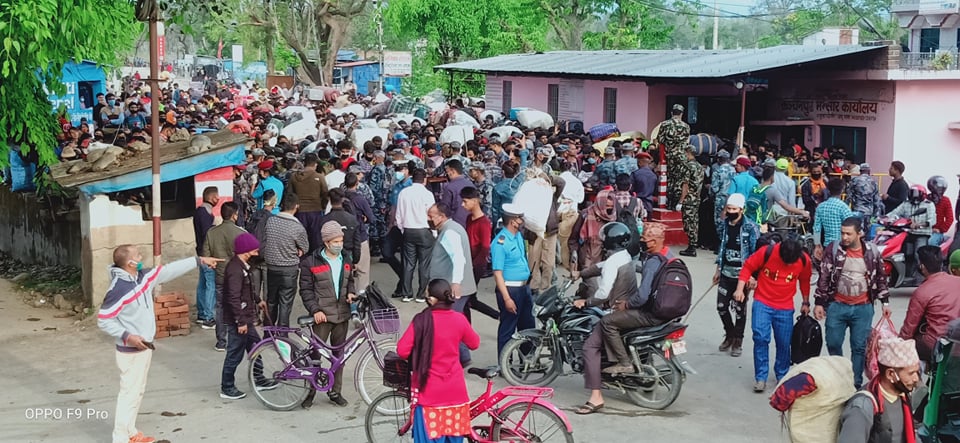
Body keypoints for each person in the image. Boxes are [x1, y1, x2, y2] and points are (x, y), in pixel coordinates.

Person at [98, 245, 219, 443]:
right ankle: (120, 438)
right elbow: (104, 319)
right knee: (129, 394)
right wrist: (128, 336)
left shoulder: (142, 278)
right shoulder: (119, 288)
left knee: (137, 392)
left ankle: (131, 433)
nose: (141, 257)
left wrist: (199, 260)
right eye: (137, 255)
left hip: (144, 346)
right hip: (130, 350)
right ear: (129, 263)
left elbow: (168, 270)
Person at [573, 221, 672, 415]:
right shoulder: (624, 256)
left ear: (609, 242)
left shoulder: (613, 261)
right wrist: (582, 273)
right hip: (632, 308)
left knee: (590, 346)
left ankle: (596, 397)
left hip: (620, 310)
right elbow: (600, 267)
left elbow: (602, 294)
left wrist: (585, 302)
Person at [396, 279, 480, 443]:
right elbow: (474, 343)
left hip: (429, 395)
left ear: (432, 299)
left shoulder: (420, 320)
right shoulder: (459, 319)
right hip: (456, 396)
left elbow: (402, 350)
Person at [814, 216, 891, 388]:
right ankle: (840, 377)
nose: (845, 237)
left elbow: (881, 277)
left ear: (860, 234)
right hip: (837, 306)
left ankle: (854, 384)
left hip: (863, 308)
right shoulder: (834, 250)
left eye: (849, 234)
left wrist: (885, 302)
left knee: (858, 347)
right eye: (843, 233)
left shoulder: (872, 251)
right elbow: (824, 275)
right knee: (833, 343)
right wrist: (819, 302)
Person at [735, 235, 813, 392]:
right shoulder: (768, 252)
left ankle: (782, 375)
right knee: (760, 338)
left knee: (784, 343)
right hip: (763, 302)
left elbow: (805, 280)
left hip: (785, 307)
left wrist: (805, 302)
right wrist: (739, 289)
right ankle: (761, 377)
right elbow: (748, 267)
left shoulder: (804, 260)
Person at [298, 221, 357, 408]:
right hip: (322, 317)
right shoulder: (311, 262)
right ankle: (310, 392)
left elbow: (350, 281)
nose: (339, 244)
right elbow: (305, 290)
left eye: (341, 240)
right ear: (326, 242)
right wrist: (315, 310)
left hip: (342, 315)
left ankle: (335, 392)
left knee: (339, 356)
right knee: (315, 355)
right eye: (336, 241)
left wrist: (350, 293)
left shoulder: (346, 258)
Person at [837, 337, 922, 443]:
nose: (916, 379)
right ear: (891, 374)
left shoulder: (903, 395)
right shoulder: (862, 407)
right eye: (911, 373)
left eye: (917, 372)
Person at [219, 233, 270, 400]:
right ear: (246, 250)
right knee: (235, 353)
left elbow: (246, 290)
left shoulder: (242, 266)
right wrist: (240, 321)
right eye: (254, 250)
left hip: (246, 318)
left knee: (256, 347)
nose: (256, 252)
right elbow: (233, 297)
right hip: (239, 321)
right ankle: (227, 387)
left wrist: (257, 300)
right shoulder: (235, 269)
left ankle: (259, 379)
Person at [427, 203, 477, 365]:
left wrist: (455, 283)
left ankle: (461, 357)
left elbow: (458, 259)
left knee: (449, 324)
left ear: (441, 217)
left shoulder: (449, 233)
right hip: (452, 286)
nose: (428, 219)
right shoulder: (453, 228)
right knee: (454, 320)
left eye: (431, 216)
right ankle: (462, 357)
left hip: (452, 288)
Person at [714, 194, 761, 357]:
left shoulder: (751, 227)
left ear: (741, 209)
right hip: (726, 273)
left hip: (743, 275)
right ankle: (729, 333)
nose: (731, 212)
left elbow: (756, 254)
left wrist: (753, 276)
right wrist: (718, 269)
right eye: (729, 209)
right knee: (721, 307)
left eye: (734, 209)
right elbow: (722, 247)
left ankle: (738, 340)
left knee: (740, 309)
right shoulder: (725, 225)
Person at [899, 245, 960, 362]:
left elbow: (908, 329)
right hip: (956, 342)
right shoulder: (957, 281)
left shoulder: (922, 291)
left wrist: (899, 346)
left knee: (913, 342)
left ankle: (917, 374)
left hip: (937, 345)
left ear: (921, 266)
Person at [491, 203, 535, 356]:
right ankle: (504, 363)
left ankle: (527, 359)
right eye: (520, 218)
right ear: (513, 221)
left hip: (524, 288)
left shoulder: (518, 236)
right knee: (508, 327)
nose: (522, 221)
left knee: (527, 325)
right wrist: (507, 299)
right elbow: (497, 273)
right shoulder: (500, 243)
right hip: (511, 290)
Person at [202, 201, 245, 351]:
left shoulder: (211, 233)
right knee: (237, 305)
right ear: (235, 215)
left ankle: (221, 341)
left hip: (220, 276)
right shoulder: (241, 233)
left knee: (220, 307)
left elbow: (206, 256)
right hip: (237, 277)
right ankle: (236, 339)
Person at [261, 193, 308, 328]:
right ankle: (283, 334)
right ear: (296, 207)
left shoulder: (271, 221)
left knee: (271, 301)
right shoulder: (297, 227)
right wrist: (299, 250)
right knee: (285, 303)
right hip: (289, 269)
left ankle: (267, 332)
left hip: (271, 267)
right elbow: (305, 246)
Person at [396, 168, 436, 302]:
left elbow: (399, 214)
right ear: (424, 179)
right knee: (424, 264)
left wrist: (402, 229)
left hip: (408, 230)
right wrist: (434, 232)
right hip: (424, 230)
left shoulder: (404, 193)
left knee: (408, 263)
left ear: (412, 178)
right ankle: (421, 294)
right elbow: (432, 214)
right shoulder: (427, 194)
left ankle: (406, 293)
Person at [884, 185, 937, 284]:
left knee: (919, 255)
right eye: (912, 193)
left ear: (923, 194)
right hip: (908, 233)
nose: (914, 196)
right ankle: (906, 276)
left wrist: (920, 224)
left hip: (922, 234)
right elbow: (895, 212)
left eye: (916, 193)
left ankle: (922, 279)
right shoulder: (906, 204)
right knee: (905, 255)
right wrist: (885, 218)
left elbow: (932, 220)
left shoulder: (928, 205)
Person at [461, 187, 499, 320]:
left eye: (465, 201)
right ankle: (498, 316)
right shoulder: (468, 218)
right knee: (470, 300)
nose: (463, 205)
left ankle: (466, 332)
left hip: (476, 265)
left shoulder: (484, 223)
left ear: (475, 201)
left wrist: (473, 266)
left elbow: (485, 248)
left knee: (466, 299)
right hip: (468, 263)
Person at [527, 176, 564, 295]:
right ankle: (534, 288)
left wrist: (548, 178)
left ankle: (545, 288)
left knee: (549, 263)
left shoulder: (551, 197)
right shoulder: (530, 198)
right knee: (534, 261)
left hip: (550, 233)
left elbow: (561, 183)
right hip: (535, 233)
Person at [287, 153, 329, 253]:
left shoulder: (293, 177)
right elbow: (325, 194)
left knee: (300, 239)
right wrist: (322, 206)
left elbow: (289, 194)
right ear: (315, 164)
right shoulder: (319, 177)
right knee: (315, 240)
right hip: (315, 211)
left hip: (299, 211)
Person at [344, 172, 375, 293]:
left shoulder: (340, 199)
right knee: (363, 270)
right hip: (360, 236)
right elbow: (372, 218)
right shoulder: (360, 199)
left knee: (347, 269)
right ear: (357, 184)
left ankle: (346, 294)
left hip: (344, 238)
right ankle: (361, 294)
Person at [193, 186, 219, 329]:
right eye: (216, 197)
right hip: (207, 254)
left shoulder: (201, 211)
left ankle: (202, 314)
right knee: (210, 285)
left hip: (201, 252)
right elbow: (207, 235)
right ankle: (208, 317)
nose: (218, 199)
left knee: (203, 283)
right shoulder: (204, 213)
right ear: (210, 198)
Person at [658, 104, 691, 207]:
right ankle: (678, 203)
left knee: (670, 179)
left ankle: (669, 203)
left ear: (672, 112)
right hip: (682, 156)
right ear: (681, 114)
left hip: (669, 155)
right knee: (680, 180)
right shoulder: (686, 126)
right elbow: (687, 142)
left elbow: (660, 140)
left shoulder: (664, 124)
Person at [813, 178, 855, 260]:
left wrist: (817, 245)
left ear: (828, 190)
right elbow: (851, 226)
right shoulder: (843, 207)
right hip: (842, 244)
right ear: (842, 190)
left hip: (827, 245)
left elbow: (816, 228)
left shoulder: (821, 207)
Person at [678, 145, 704, 257]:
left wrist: (680, 201)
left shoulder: (688, 166)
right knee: (694, 221)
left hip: (689, 198)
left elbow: (685, 184)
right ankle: (693, 244)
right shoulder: (699, 166)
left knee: (688, 222)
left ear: (688, 153)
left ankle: (692, 247)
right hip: (697, 197)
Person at [846, 163, 883, 228]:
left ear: (860, 171)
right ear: (869, 171)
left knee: (857, 231)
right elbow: (877, 201)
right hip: (869, 212)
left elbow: (849, 197)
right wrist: (875, 215)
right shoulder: (874, 182)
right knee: (868, 232)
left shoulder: (854, 181)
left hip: (857, 211)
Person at [711, 150, 736, 238]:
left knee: (719, 221)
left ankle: (721, 242)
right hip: (732, 199)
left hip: (721, 199)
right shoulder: (734, 170)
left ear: (719, 160)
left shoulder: (717, 171)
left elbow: (715, 188)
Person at [441, 159, 472, 227]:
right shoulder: (471, 185)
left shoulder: (449, 187)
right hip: (471, 222)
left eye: (447, 172)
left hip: (456, 223)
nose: (447, 174)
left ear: (453, 171)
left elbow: (445, 207)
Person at [926, 175, 953, 247]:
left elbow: (950, 219)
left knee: (931, 242)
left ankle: (934, 257)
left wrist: (940, 229)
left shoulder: (946, 200)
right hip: (923, 229)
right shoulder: (926, 198)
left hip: (937, 232)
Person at [631, 151, 657, 217]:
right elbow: (656, 191)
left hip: (637, 205)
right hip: (649, 205)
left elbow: (631, 189)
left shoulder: (635, 174)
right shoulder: (654, 175)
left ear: (640, 163)